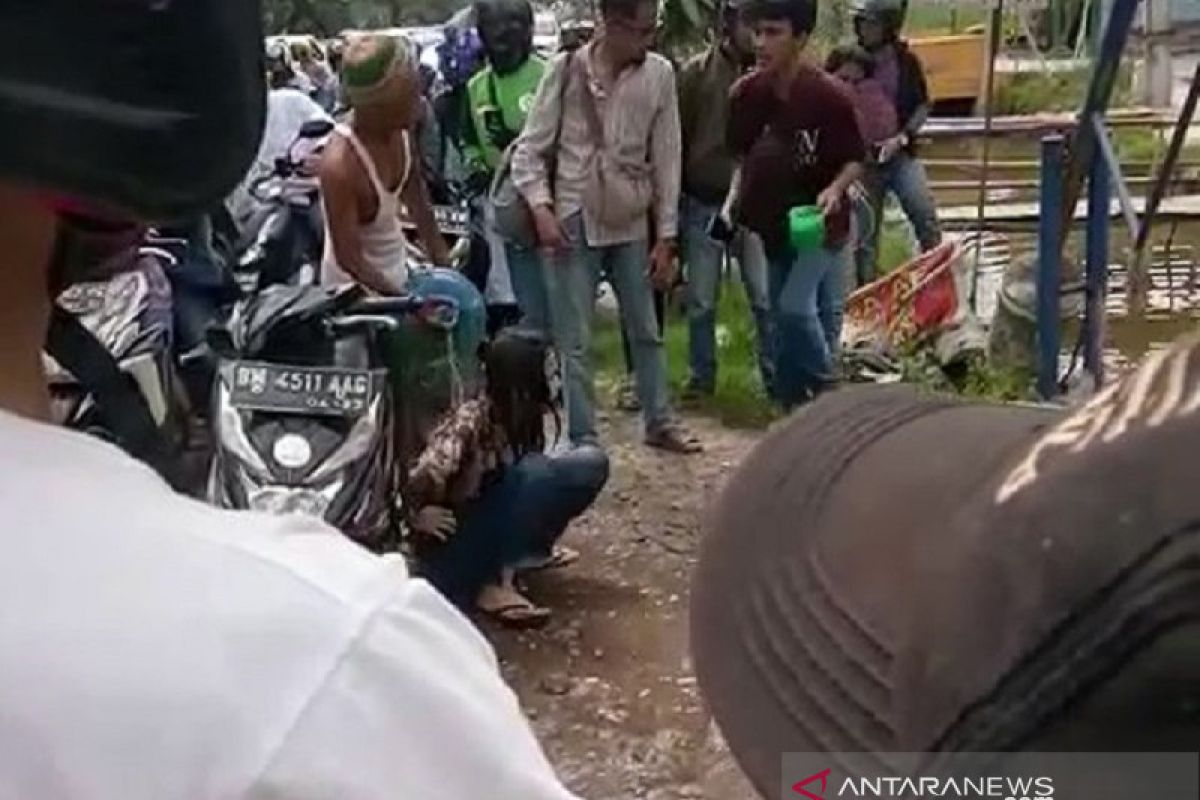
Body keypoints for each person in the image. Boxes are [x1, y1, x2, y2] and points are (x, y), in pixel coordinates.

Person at [0, 2, 579, 796]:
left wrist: (448, 276)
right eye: (407, 87)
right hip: (372, 306)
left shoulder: (404, 144)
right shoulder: (330, 665)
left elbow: (416, 225)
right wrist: (407, 299)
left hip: (417, 292)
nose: (419, 96)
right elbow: (348, 256)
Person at [511, 0, 702, 453]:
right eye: (640, 30)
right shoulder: (565, 70)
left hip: (631, 219)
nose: (648, 39)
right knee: (574, 340)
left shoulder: (659, 75)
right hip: (573, 216)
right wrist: (541, 209)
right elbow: (529, 151)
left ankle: (659, 419)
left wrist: (667, 236)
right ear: (611, 25)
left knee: (646, 329)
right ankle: (584, 439)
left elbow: (668, 158)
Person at [407, 328, 609, 627]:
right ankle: (491, 584)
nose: (554, 380)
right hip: (450, 547)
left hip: (485, 520)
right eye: (548, 371)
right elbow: (423, 472)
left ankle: (527, 553)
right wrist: (416, 514)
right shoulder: (471, 419)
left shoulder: (518, 416)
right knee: (534, 474)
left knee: (588, 463)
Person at [728, 0, 866, 410]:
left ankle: (829, 394)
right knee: (779, 319)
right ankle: (790, 408)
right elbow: (740, 155)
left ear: (801, 38)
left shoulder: (829, 97)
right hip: (772, 223)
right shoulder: (746, 95)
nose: (761, 43)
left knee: (793, 308)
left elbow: (856, 159)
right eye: (758, 32)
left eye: (774, 33)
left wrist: (835, 188)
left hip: (820, 224)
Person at [677, 0, 773, 399]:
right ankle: (702, 379)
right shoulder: (695, 74)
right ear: (727, 24)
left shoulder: (772, 75)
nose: (753, 32)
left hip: (755, 203)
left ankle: (774, 378)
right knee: (701, 300)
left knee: (764, 296)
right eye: (746, 22)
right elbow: (678, 139)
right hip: (703, 200)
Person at [320, 33, 450, 294]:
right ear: (377, 108)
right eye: (408, 99)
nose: (419, 106)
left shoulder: (400, 131)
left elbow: (418, 203)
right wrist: (406, 304)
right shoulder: (340, 166)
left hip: (397, 272)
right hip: (354, 295)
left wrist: (445, 268)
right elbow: (350, 259)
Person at [465, 0, 551, 333]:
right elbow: (468, 137)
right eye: (495, 30)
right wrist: (476, 164)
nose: (504, 37)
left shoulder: (546, 74)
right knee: (509, 277)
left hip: (546, 197)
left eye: (512, 28)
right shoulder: (477, 87)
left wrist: (517, 139)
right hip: (501, 197)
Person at [850, 0, 941, 285]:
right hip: (861, 163)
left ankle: (937, 280)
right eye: (862, 23)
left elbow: (923, 105)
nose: (866, 30)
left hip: (900, 155)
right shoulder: (847, 59)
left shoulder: (906, 62)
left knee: (924, 214)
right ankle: (866, 297)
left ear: (888, 27)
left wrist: (902, 137)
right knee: (865, 238)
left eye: (872, 24)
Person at [294, 40, 338, 112]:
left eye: (304, 53)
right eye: (301, 54)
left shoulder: (321, 66)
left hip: (321, 98)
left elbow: (329, 84)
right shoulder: (296, 69)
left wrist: (314, 80)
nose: (303, 57)